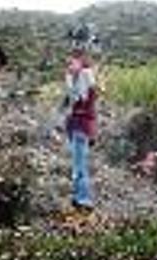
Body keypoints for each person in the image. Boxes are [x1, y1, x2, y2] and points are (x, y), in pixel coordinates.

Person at [63, 40, 98, 212]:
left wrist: (70, 78)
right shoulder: (81, 75)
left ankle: (83, 200)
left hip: (80, 126)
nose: (68, 65)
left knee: (80, 165)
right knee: (78, 163)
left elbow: (79, 100)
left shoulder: (85, 75)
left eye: (72, 62)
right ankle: (79, 197)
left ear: (81, 60)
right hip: (77, 125)